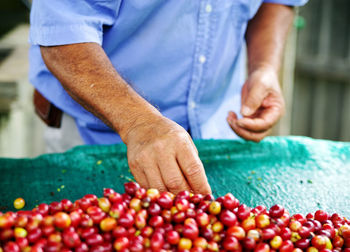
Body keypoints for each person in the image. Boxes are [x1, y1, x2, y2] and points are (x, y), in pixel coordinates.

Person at [29, 0, 307, 195]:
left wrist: (264, 67)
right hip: (95, 133)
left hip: (218, 130)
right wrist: (138, 121)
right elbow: (64, 32)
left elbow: (278, 2)